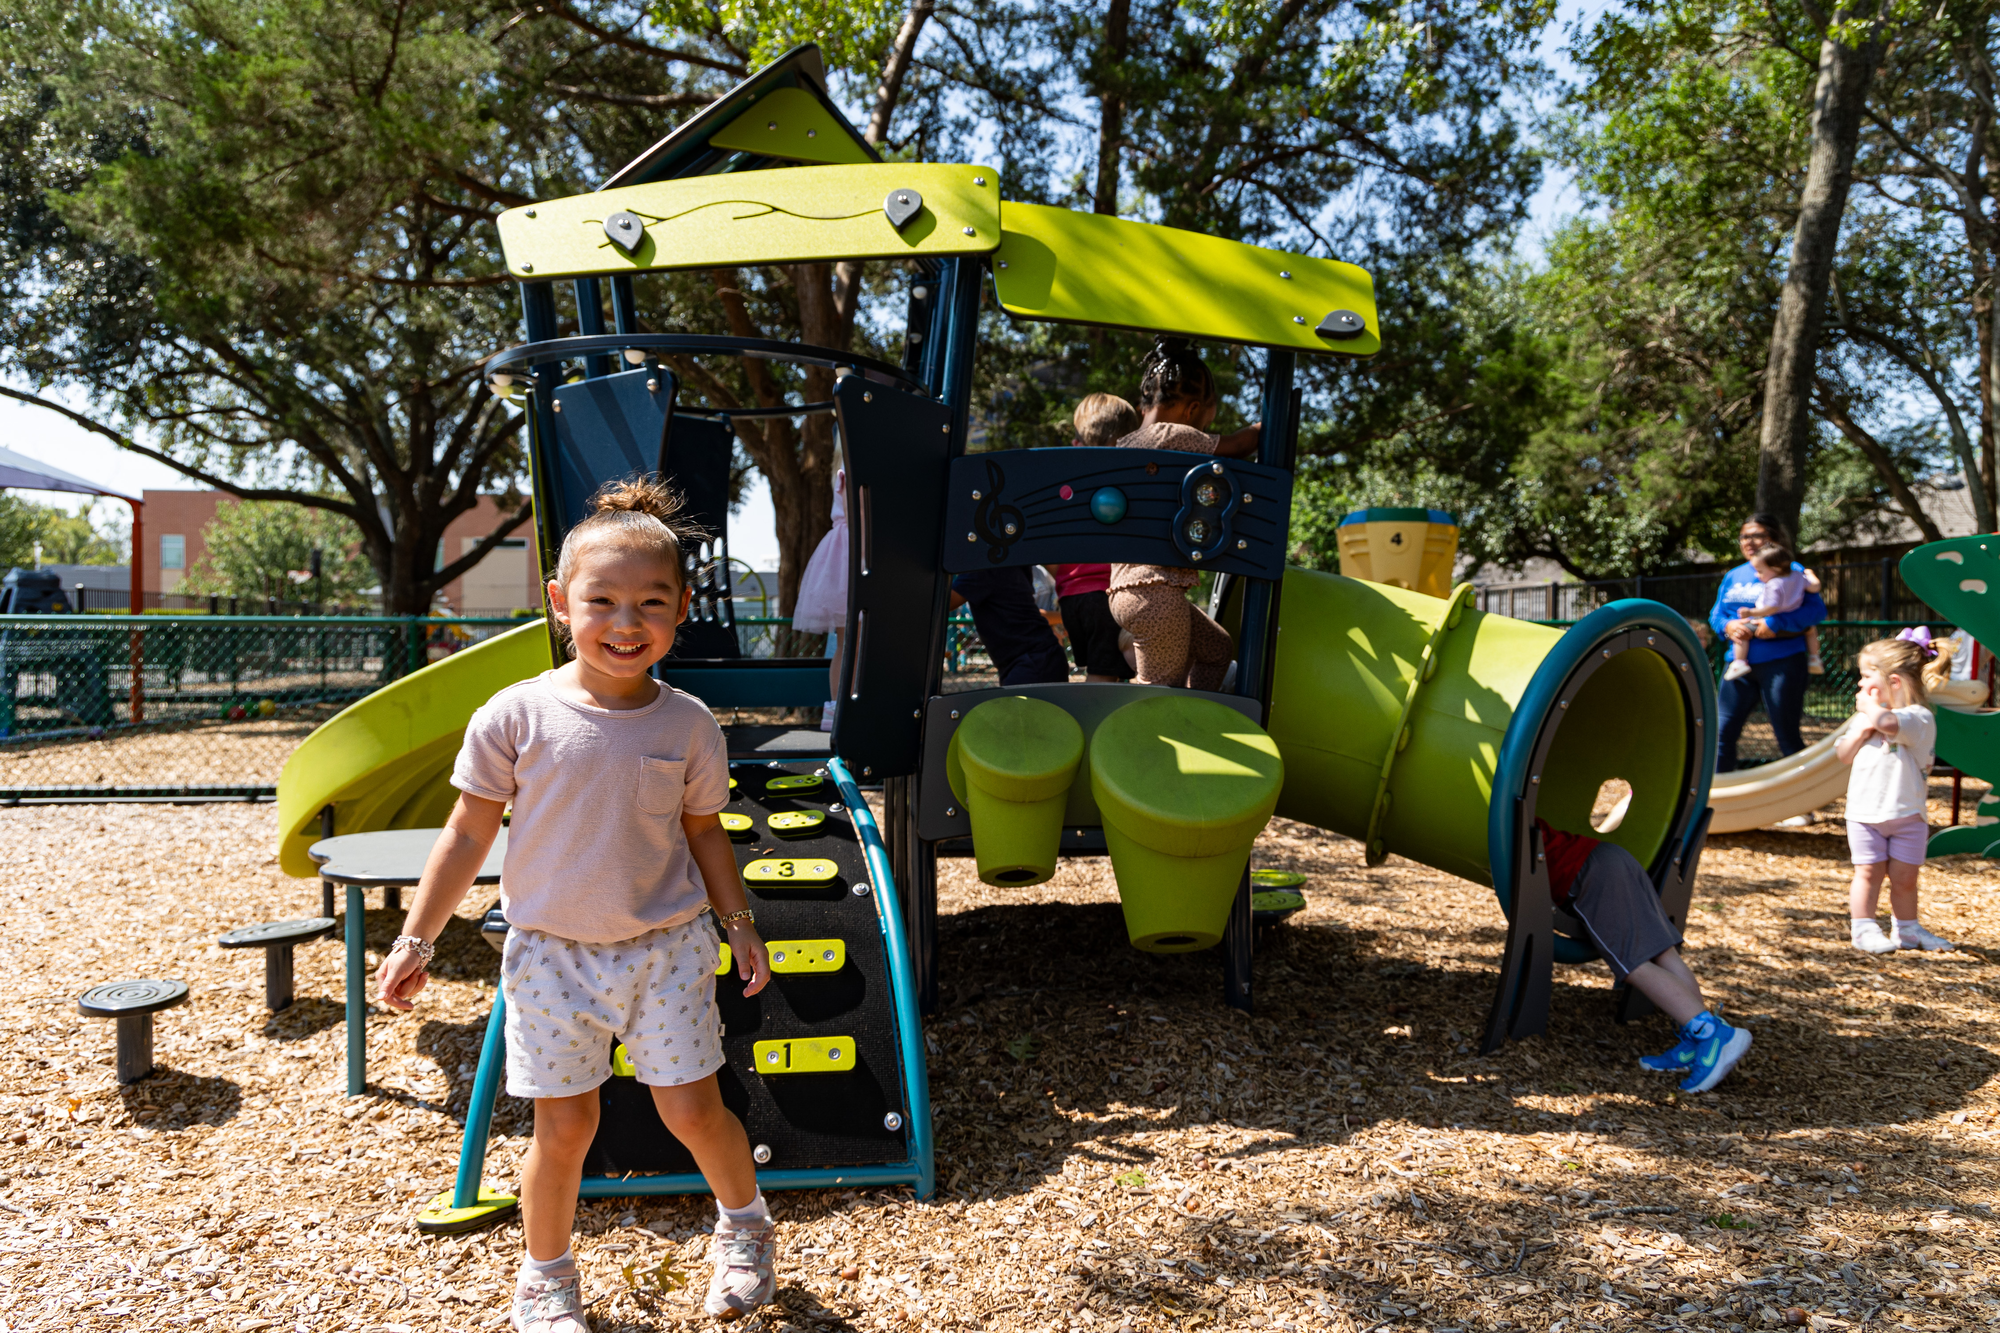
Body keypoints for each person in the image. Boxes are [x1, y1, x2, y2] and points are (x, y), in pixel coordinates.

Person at [375, 477, 779, 1330]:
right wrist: (418, 936)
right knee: (563, 1131)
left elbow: (707, 833)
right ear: (560, 602)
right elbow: (466, 833)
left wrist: (739, 923)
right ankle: (546, 1278)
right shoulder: (515, 715)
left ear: (681, 608)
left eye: (650, 602)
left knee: (693, 1109)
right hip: (550, 954)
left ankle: (745, 1227)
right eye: (601, 600)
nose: (625, 623)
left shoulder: (689, 723)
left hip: (664, 946)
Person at [1537, 818, 1752, 1093]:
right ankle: (1695, 1043)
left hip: (1587, 874)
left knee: (1633, 964)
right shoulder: (1521, 815)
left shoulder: (1502, 822)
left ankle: (1710, 1033)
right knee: (1664, 954)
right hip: (1611, 857)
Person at [1108, 338, 1260, 690]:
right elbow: (1240, 446)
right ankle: (1152, 735)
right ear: (1191, 412)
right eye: (1207, 425)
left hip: (1131, 588)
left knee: (1217, 650)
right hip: (1154, 593)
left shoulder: (1128, 442)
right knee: (1159, 691)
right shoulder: (1173, 435)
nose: (1204, 434)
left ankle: (1194, 714)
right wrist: (1265, 428)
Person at [1837, 634, 1953, 954]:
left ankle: (1907, 930)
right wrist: (1861, 728)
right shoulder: (1866, 720)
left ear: (1894, 681)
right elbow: (1844, 755)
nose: (1860, 685)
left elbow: (1889, 723)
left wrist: (1869, 710)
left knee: (1904, 879)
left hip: (1907, 817)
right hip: (1864, 814)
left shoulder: (1919, 717)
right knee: (1868, 873)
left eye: (1865, 676)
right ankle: (1863, 928)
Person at [1708, 513, 1828, 771]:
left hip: (1782, 662)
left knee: (1786, 736)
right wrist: (1728, 626)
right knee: (1721, 735)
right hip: (1738, 666)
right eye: (1744, 536)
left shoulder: (1793, 573)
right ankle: (1724, 802)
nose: (1749, 541)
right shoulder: (1733, 575)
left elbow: (1816, 613)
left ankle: (1802, 806)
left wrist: (1775, 623)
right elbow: (1717, 614)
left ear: (1772, 539)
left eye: (1757, 535)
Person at [1051, 393, 1140, 682]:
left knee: (1101, 672)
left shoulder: (1065, 489)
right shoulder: (1125, 488)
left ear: (1077, 444)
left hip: (1070, 599)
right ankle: (1093, 725)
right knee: (1103, 678)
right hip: (1104, 596)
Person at [792, 466, 848, 731]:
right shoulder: (848, 470)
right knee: (848, 641)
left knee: (849, 642)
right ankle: (838, 704)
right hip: (851, 552)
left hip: (846, 550)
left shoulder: (846, 468)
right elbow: (854, 510)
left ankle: (839, 704)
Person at [951, 565, 1073, 685]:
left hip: (1030, 661)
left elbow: (944, 602)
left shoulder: (985, 566)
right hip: (1037, 658)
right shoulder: (1010, 563)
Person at [1722, 543, 1823, 681]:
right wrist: (1810, 574)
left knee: (1742, 633)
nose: (1757, 575)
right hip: (1793, 625)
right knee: (1811, 630)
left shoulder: (1773, 584)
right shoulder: (1798, 576)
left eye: (1760, 571)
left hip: (1766, 621)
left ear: (1775, 568)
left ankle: (1739, 662)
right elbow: (1815, 587)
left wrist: (1751, 612)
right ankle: (1814, 658)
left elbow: (1771, 608)